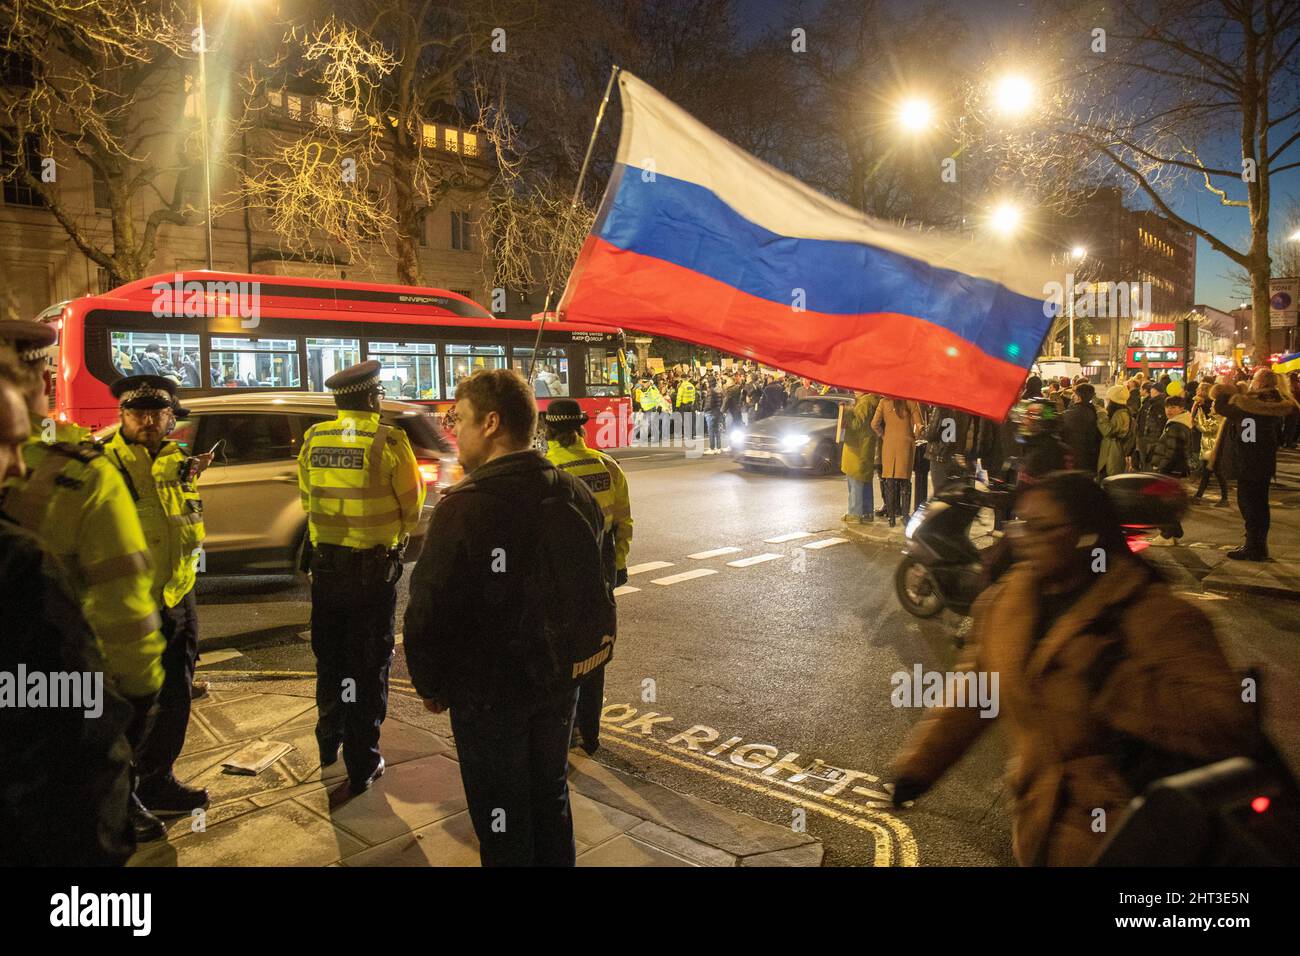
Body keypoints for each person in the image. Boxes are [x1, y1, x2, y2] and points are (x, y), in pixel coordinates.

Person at [890, 471, 1257, 866]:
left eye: (1042, 527)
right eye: (1019, 523)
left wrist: (1112, 678)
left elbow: (1226, 720)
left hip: (1133, 833)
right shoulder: (1007, 604)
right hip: (1040, 824)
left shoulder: (1154, 614)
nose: (1022, 536)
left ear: (1085, 535)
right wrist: (918, 768)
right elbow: (976, 691)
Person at [404, 369, 607, 866]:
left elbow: (427, 610)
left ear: (491, 423)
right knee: (550, 796)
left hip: (489, 693)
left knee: (502, 814)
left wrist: (431, 683)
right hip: (559, 683)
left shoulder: (464, 510)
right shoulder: (575, 492)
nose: (455, 431)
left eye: (460, 419)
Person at [0, 322, 168, 842]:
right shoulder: (83, 472)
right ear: (42, 380)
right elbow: (124, 611)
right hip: (65, 704)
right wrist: (137, 699)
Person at [300, 361, 427, 790]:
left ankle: (326, 742)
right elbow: (411, 506)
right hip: (370, 576)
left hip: (325, 570)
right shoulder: (387, 440)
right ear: (372, 398)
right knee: (367, 664)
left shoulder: (315, 437)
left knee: (331, 659)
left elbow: (307, 495)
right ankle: (362, 762)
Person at [101, 375, 212, 816]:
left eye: (157, 413)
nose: (147, 421)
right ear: (122, 416)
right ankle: (122, 799)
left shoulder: (176, 460)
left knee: (176, 695)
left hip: (177, 597)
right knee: (130, 705)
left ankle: (157, 780)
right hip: (129, 605)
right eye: (137, 413)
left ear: (170, 418)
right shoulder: (102, 465)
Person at [542, 398, 632, 754]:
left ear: (548, 432)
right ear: (580, 429)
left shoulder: (546, 470)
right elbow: (624, 521)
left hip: (559, 572)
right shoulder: (607, 464)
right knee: (595, 646)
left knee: (559, 650)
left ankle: (563, 731)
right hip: (602, 565)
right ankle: (589, 734)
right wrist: (620, 565)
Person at [1211, 372, 1297, 561]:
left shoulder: (1251, 406)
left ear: (1259, 383)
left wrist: (1224, 390)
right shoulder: (1276, 402)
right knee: (1259, 505)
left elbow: (1223, 408)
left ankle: (1254, 547)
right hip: (1263, 461)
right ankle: (1257, 545)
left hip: (1249, 462)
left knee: (1250, 505)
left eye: (1254, 381)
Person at [871, 397, 923, 526]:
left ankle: (891, 517)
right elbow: (919, 424)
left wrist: (884, 435)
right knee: (905, 481)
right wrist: (915, 436)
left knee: (890, 481)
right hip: (906, 445)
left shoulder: (883, 402)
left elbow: (874, 424)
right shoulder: (911, 402)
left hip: (889, 444)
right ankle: (905, 516)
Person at [840, 391, 879, 523]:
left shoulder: (865, 402)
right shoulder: (869, 401)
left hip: (857, 447)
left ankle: (855, 513)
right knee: (864, 480)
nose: (854, 390)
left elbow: (856, 424)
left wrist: (847, 412)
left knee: (855, 480)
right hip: (863, 446)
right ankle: (867, 513)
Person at [1192, 385, 1229, 506]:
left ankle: (1221, 498)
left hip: (1214, 452)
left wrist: (1196, 422)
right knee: (1209, 474)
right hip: (1209, 450)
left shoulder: (1220, 419)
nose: (1211, 407)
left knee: (1214, 474)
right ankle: (1200, 496)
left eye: (1213, 405)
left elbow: (1206, 429)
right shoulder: (1214, 417)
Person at [1060, 382, 1101, 474]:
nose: (1072, 396)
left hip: (1074, 456)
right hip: (1091, 455)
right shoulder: (1096, 411)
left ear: (1078, 397)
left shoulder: (1070, 414)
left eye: (1074, 394)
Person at [1096, 385, 1134, 478]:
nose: (1107, 401)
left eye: (1109, 399)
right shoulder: (1119, 413)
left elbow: (1108, 431)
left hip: (1114, 453)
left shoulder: (1121, 414)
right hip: (1111, 451)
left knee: (1110, 480)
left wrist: (1102, 415)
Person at [1135, 381, 1166, 469]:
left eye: (1152, 389)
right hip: (1148, 437)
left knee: (1147, 462)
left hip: (1150, 439)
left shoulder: (1157, 404)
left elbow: (1158, 423)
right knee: (1146, 461)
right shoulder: (1154, 402)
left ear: (1155, 390)